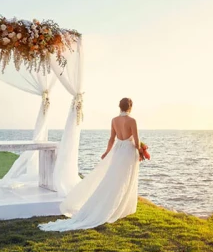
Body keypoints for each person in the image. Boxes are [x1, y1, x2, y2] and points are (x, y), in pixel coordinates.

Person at [39, 98, 141, 231]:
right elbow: (137, 141)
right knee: (124, 179)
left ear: (119, 107)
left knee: (113, 179)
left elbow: (111, 139)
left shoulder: (114, 120)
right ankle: (120, 207)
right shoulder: (132, 121)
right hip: (128, 151)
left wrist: (107, 152)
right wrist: (141, 152)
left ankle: (115, 205)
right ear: (130, 107)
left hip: (117, 151)